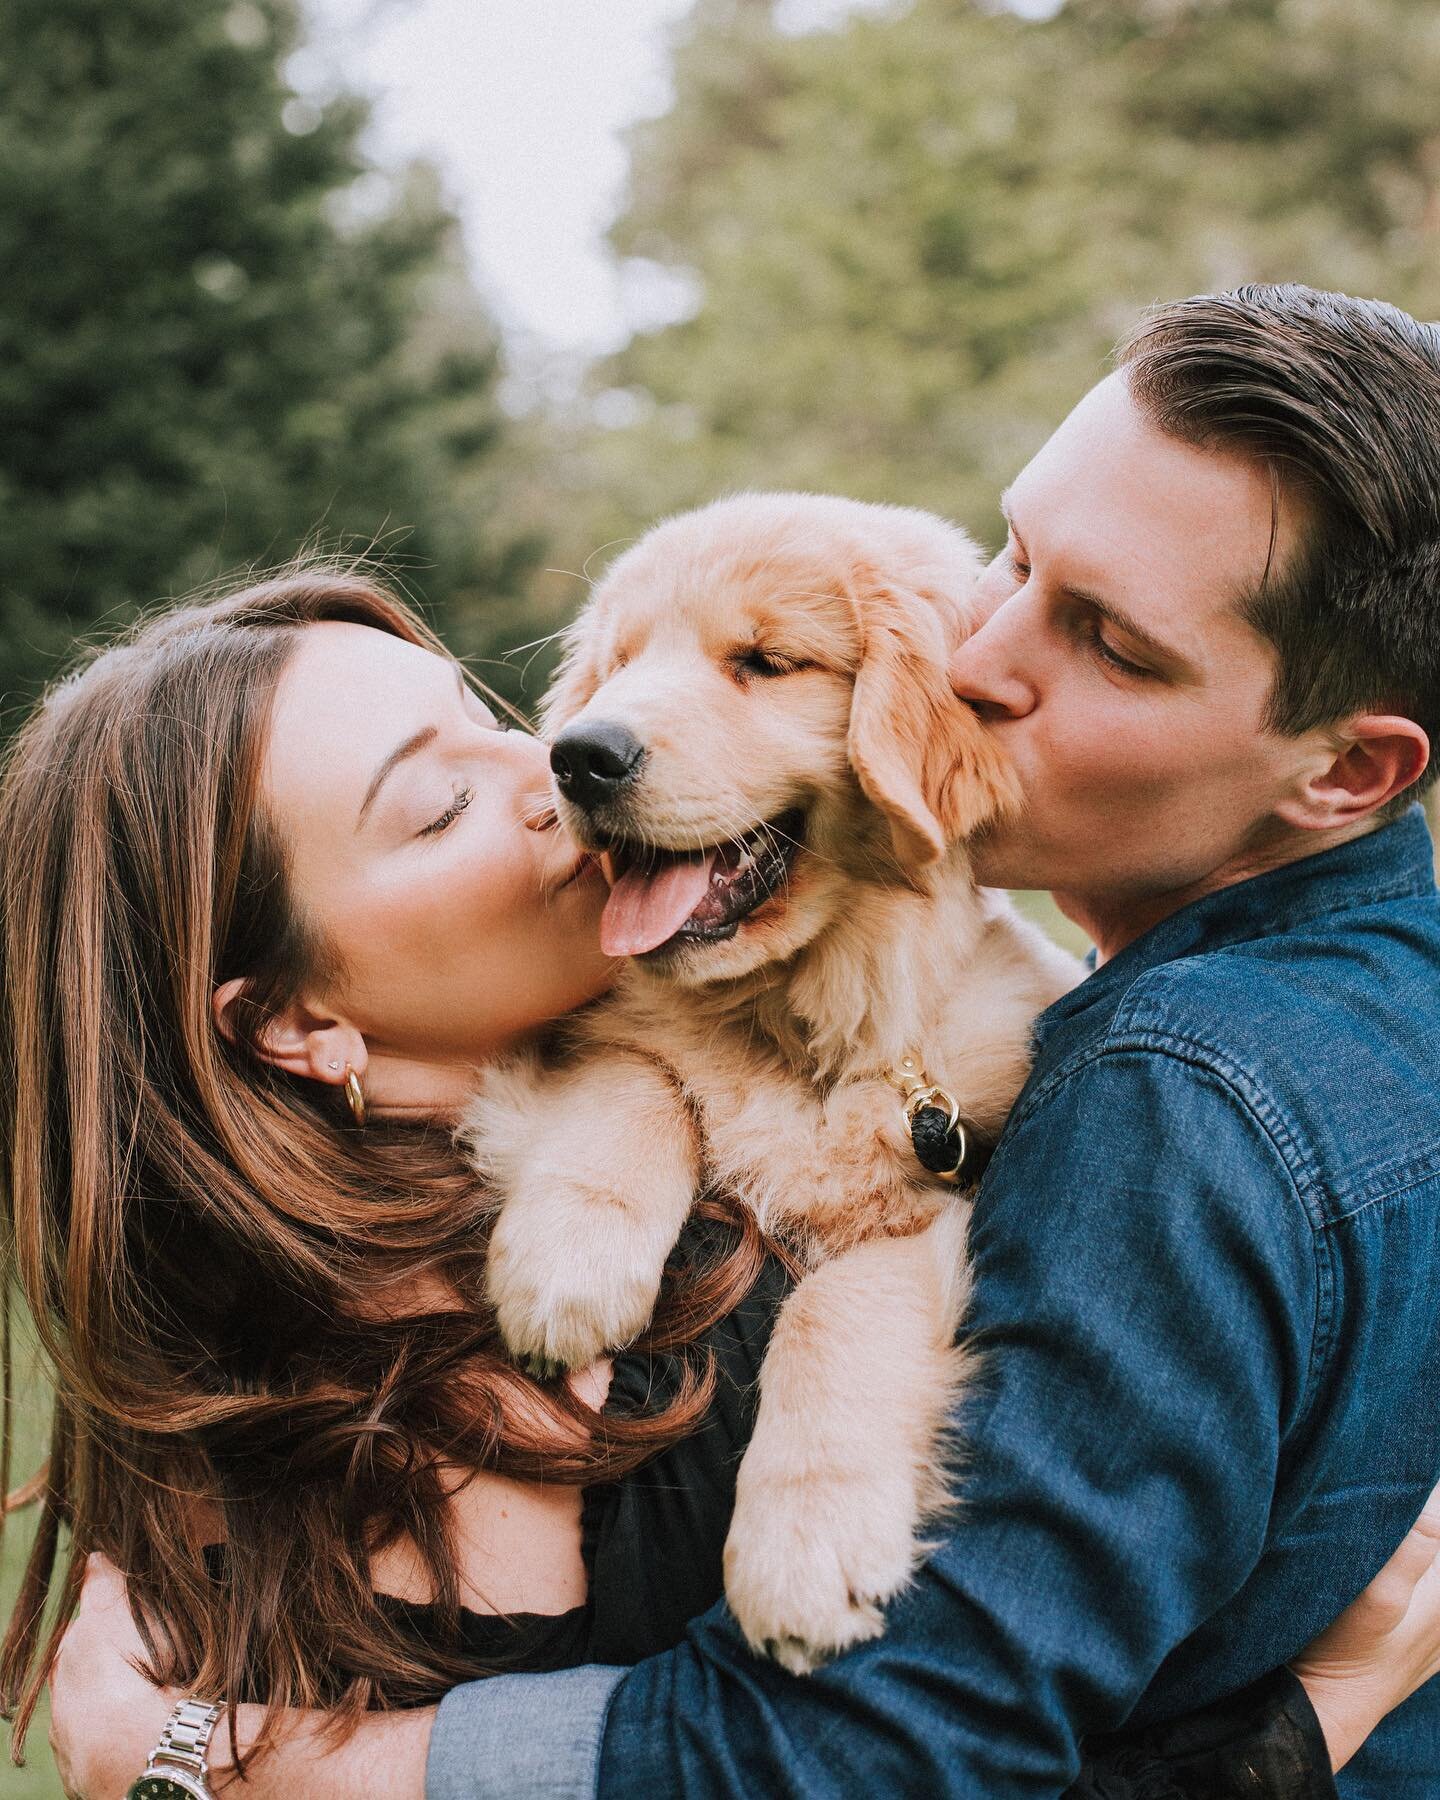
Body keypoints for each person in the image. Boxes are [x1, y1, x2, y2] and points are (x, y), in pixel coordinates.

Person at [9, 279, 1440, 1793]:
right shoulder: (475, 1373)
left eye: (1111, 643)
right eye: (1012, 561)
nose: (973, 659)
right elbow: (867, 1754)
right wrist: (1305, 1731)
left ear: (1349, 773)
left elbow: (908, 1736)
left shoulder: (1155, 1092)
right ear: (293, 1023)